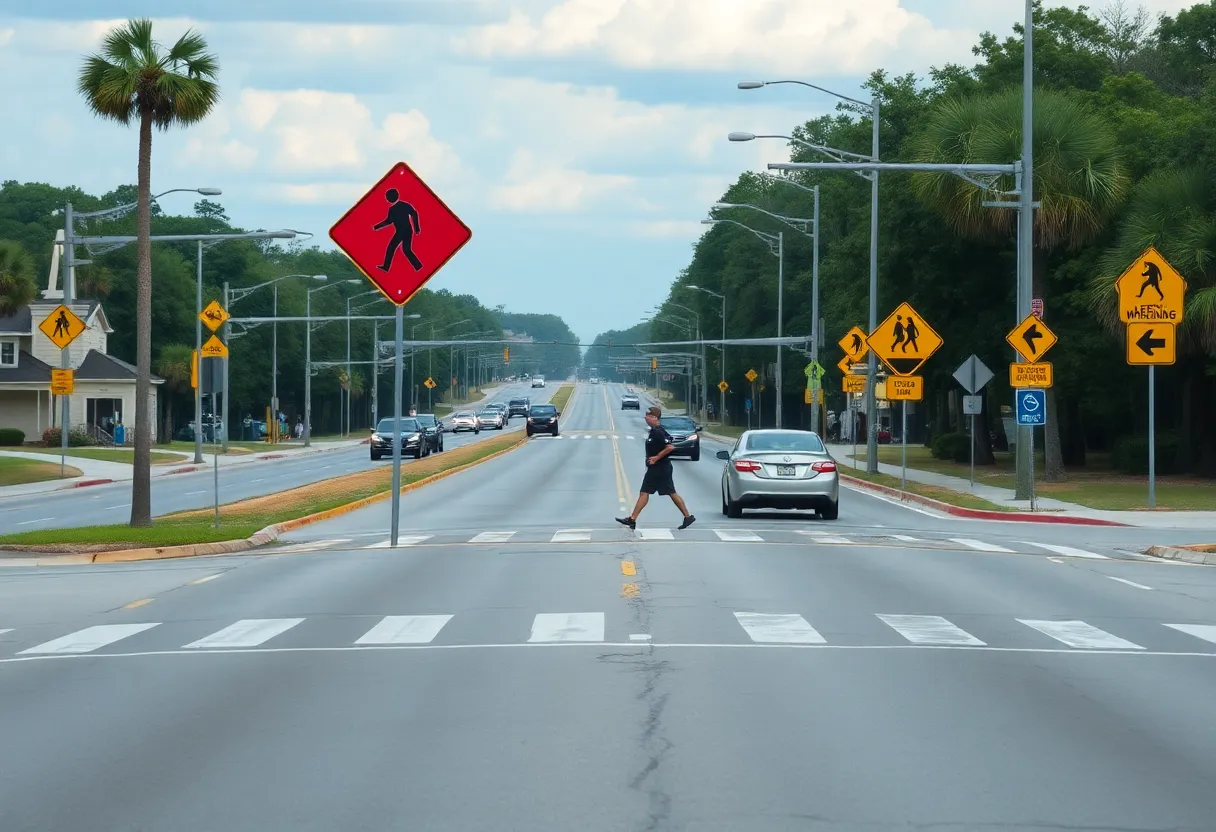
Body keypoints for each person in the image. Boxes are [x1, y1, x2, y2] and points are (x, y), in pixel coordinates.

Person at [616, 406, 695, 531]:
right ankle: (632, 519)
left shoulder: (658, 431)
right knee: (648, 492)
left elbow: (670, 447)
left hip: (660, 468)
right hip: (657, 468)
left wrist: (656, 458)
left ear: (654, 417)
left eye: (648, 415)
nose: (645, 417)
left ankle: (688, 516)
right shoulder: (654, 431)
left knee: (658, 493)